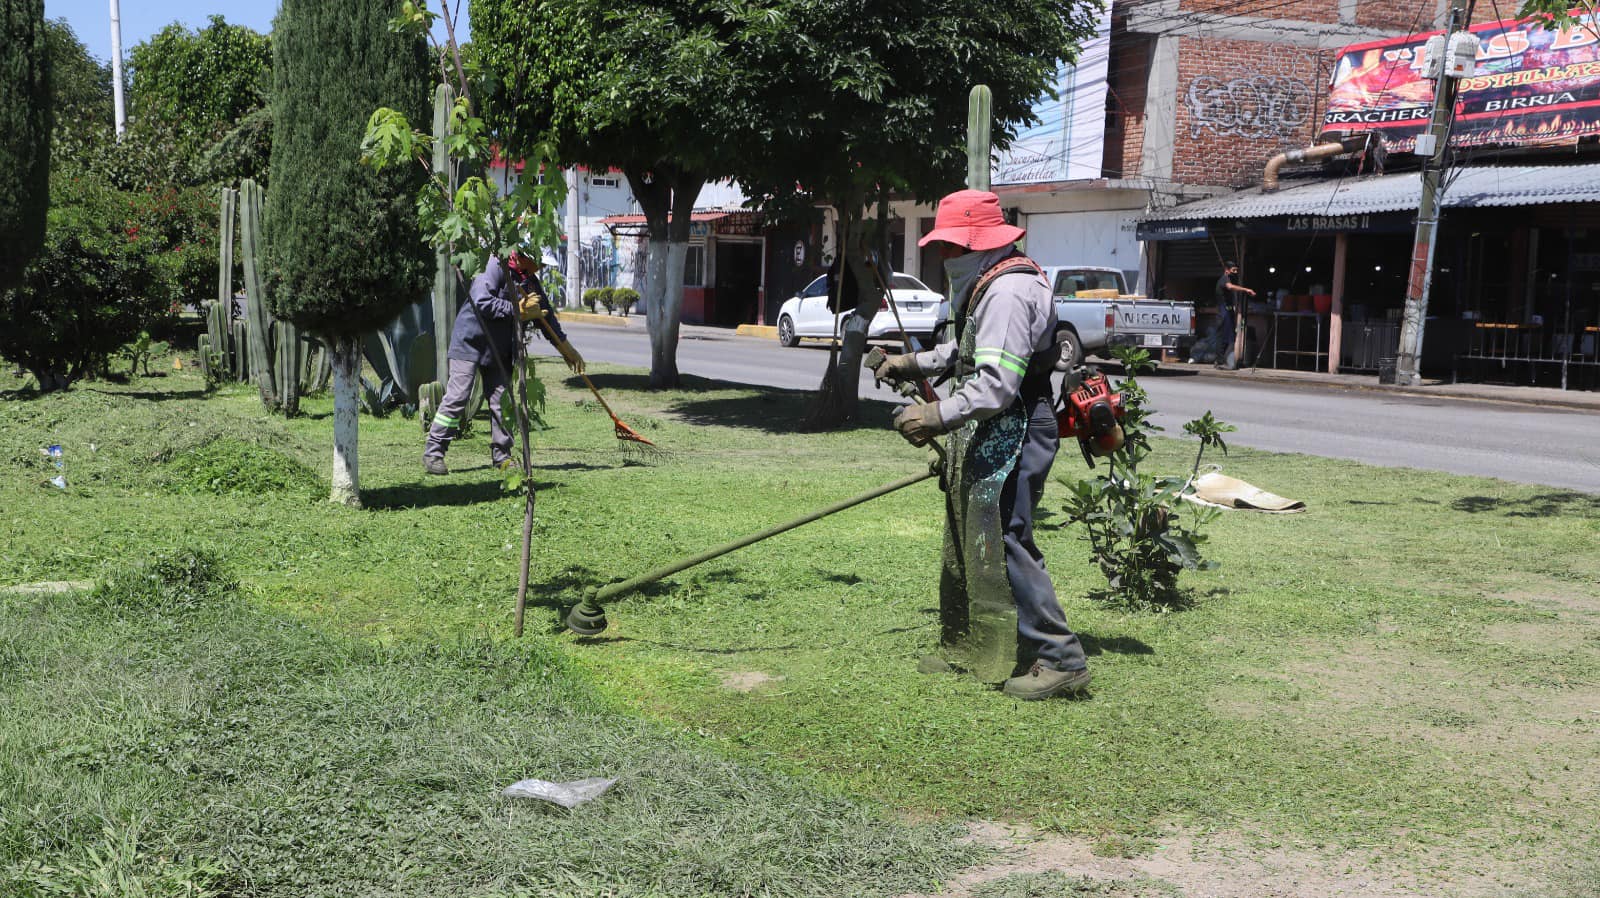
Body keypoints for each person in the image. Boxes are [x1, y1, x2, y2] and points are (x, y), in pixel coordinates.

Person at [866, 189, 1090, 701]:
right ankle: (974, 643)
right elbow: (965, 349)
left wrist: (934, 415)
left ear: (976, 244)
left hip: (1017, 425)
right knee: (975, 533)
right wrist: (911, 363)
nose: (944, 258)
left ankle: (1060, 657)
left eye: (950, 247)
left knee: (1008, 535)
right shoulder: (994, 282)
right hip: (997, 424)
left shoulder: (1009, 293)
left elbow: (995, 384)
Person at [423, 250, 584, 475]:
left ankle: (503, 457)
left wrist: (566, 348)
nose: (542, 268)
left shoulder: (530, 282)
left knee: (502, 401)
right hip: (470, 342)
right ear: (524, 256)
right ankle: (434, 452)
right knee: (458, 396)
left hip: (499, 350)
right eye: (540, 263)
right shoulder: (495, 266)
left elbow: (545, 317)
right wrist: (517, 310)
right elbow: (481, 301)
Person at [1214, 260, 1255, 369]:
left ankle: (1223, 361)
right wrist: (1246, 289)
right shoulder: (1224, 279)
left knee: (1229, 337)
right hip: (1223, 312)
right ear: (1227, 270)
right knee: (1223, 337)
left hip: (1229, 311)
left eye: (1237, 270)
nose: (1235, 272)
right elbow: (1230, 287)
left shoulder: (1230, 279)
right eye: (1233, 270)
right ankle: (1220, 361)